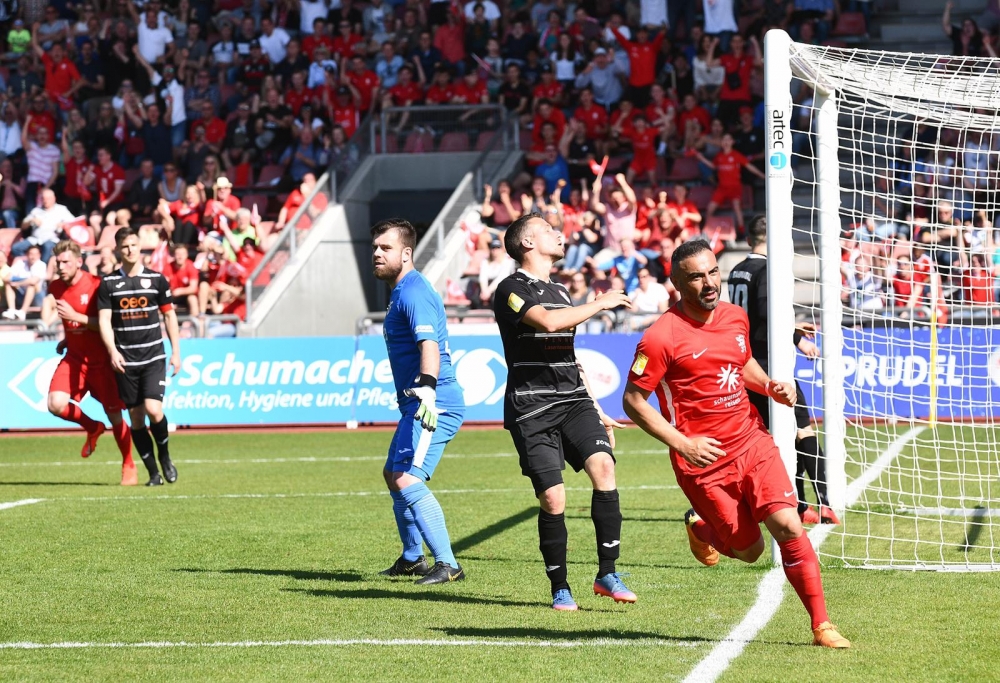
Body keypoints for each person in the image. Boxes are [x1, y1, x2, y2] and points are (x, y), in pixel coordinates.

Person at [621, 239, 850, 649]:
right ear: (676, 283)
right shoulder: (659, 338)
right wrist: (683, 444)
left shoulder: (734, 317)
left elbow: (740, 363)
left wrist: (770, 386)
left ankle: (822, 626)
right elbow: (633, 401)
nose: (710, 283)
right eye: (697, 277)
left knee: (789, 525)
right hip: (703, 461)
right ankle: (702, 528)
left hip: (751, 441)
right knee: (750, 550)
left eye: (713, 272)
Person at [492, 212, 636, 611]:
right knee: (554, 499)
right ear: (527, 243)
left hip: (574, 401)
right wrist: (600, 303)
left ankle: (607, 574)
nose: (558, 234)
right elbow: (548, 322)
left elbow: (571, 356)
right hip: (531, 408)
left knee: (604, 467)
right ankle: (560, 587)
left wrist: (597, 407)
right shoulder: (510, 289)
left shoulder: (560, 289)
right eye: (547, 230)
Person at [727, 215, 840, 525]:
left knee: (777, 437)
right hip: (770, 365)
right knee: (802, 430)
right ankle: (824, 502)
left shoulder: (736, 271)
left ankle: (800, 506)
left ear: (748, 240)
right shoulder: (767, 270)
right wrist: (795, 334)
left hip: (746, 364)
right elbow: (766, 313)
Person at [371, 218, 466, 585]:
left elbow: (429, 345)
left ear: (407, 253)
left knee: (406, 478)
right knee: (392, 474)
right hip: (418, 402)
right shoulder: (402, 290)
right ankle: (413, 558)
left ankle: (448, 564)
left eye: (386, 248)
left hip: (434, 401)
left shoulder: (413, 291)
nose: (377, 253)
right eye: (375, 247)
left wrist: (427, 388)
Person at [41, 241, 136, 485]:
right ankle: (93, 427)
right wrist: (68, 338)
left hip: (101, 362)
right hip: (74, 359)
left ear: (79, 262)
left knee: (115, 416)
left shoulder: (96, 285)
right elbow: (72, 323)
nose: (61, 267)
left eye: (66, 262)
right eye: (58, 262)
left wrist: (77, 318)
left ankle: (128, 464)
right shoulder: (55, 287)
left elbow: (107, 323)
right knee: (55, 404)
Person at [97, 227, 181, 487]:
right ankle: (153, 473)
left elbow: (169, 316)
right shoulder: (109, 283)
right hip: (126, 362)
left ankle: (165, 456)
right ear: (118, 250)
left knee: (154, 410)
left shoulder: (156, 279)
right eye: (125, 246)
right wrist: (112, 351)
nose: (130, 250)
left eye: (133, 245)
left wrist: (176, 352)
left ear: (140, 247)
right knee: (135, 418)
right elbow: (104, 321)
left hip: (153, 357)